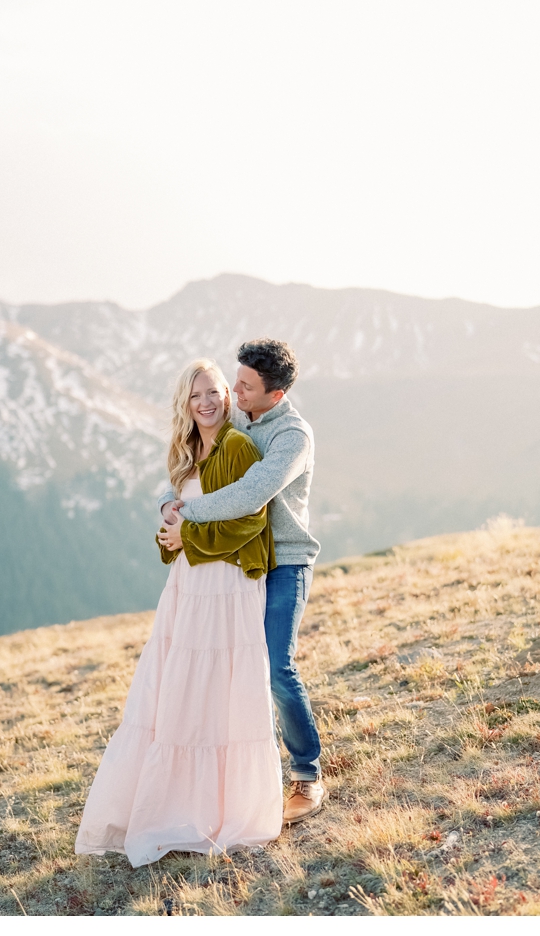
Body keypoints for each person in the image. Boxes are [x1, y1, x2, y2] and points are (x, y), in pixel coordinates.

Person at [76, 359, 281, 866]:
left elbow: (250, 521)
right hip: (189, 583)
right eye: (196, 396)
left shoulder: (237, 446)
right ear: (185, 405)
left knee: (215, 689)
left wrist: (185, 534)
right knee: (179, 689)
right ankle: (176, 803)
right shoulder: (187, 451)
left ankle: (223, 808)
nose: (207, 402)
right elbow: (179, 517)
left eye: (214, 392)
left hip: (227, 582)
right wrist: (171, 529)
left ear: (229, 397)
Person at [157, 338, 326, 825]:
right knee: (235, 673)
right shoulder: (238, 422)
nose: (233, 391)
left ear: (274, 394)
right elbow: (197, 468)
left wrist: (185, 518)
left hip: (284, 562)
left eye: (245, 386)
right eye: (237, 380)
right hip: (237, 565)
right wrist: (168, 504)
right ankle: (240, 780)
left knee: (276, 666)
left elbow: (251, 494)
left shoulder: (292, 435)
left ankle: (307, 775)